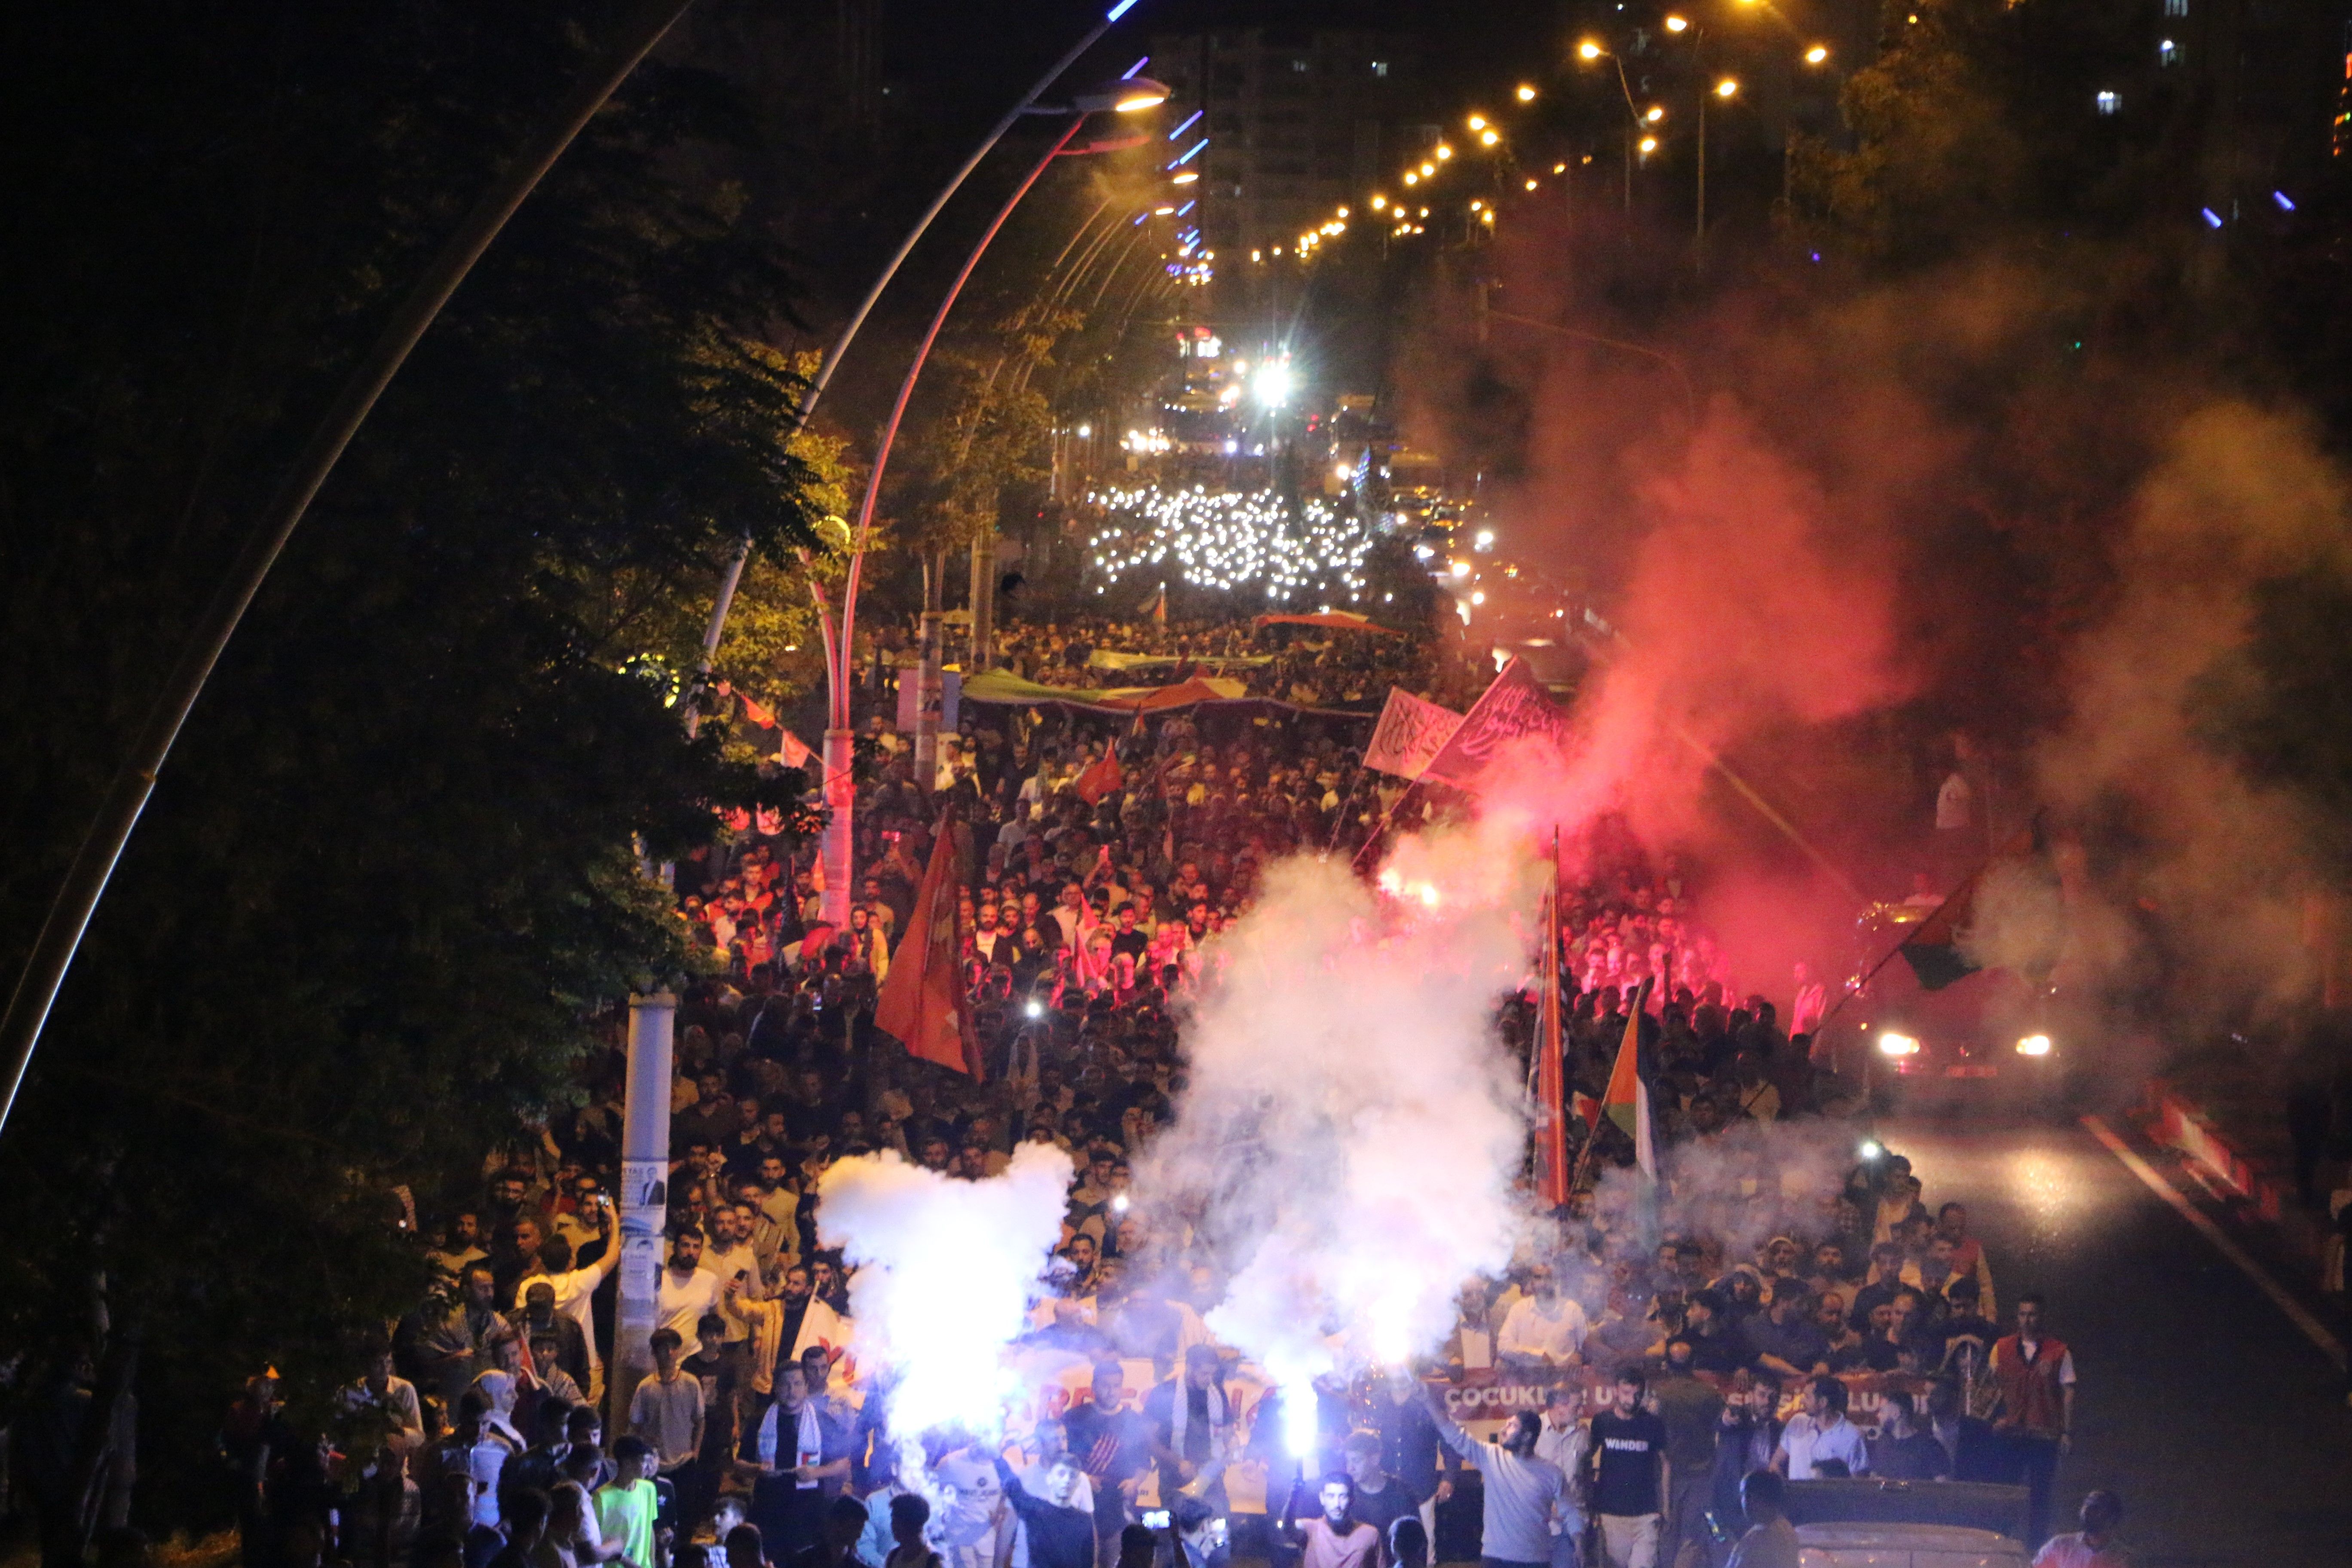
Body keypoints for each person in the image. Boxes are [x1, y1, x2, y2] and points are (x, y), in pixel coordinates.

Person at [1424, 1393, 1567, 1568]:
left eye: (1512, 1426)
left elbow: (1571, 1512)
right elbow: (1454, 1435)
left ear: (1528, 1436)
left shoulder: (1552, 1473)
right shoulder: (1491, 1456)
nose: (1503, 1431)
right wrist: (1427, 1399)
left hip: (1535, 1560)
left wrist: (1580, 1546)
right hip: (1495, 1558)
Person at [741, 1363, 852, 1561]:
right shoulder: (761, 1420)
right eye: (785, 1385)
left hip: (808, 1511)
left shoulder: (822, 1421)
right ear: (775, 1388)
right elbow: (739, 1464)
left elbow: (844, 1463)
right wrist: (757, 1469)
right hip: (769, 1509)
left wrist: (816, 1473)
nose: (791, 1391)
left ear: (806, 1388)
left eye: (797, 1384)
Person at [1990, 1294, 2073, 1545]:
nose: (2027, 1320)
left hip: (2043, 1435)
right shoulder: (2001, 1348)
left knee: (2040, 1498)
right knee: (2006, 1494)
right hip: (2010, 1434)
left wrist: (2067, 1432)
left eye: (2033, 1314)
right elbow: (1990, 1387)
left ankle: (2036, 1551)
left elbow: (2068, 1392)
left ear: (2042, 1316)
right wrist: (1995, 1419)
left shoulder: (2059, 1352)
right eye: (2023, 1314)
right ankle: (2001, 1546)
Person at [1061, 1361, 1150, 1568]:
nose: (1112, 1392)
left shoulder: (1132, 1420)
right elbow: (1060, 1460)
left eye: (1116, 1386)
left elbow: (1144, 1462)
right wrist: (1083, 1478)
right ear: (1094, 1387)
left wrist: (1134, 1482)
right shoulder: (1075, 1417)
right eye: (1106, 1386)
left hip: (1118, 1508)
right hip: (1080, 1507)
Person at [1648, 1345, 1721, 1568]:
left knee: (1667, 1533)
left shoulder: (1659, 1394)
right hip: (1702, 1476)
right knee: (1695, 1535)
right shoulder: (1711, 1393)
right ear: (1694, 1364)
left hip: (1667, 1477)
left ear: (1667, 1365)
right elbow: (1720, 1431)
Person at [1585, 1372, 1666, 1568]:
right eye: (1627, 1393)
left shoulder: (1653, 1423)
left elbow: (1665, 1464)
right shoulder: (1602, 1422)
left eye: (1637, 1395)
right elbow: (1586, 1460)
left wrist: (1665, 1507)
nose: (1632, 1400)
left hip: (1646, 1513)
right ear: (1616, 1392)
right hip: (1611, 1513)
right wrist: (1590, 1500)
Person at [629, 1329, 706, 1491]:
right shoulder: (645, 1387)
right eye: (664, 1349)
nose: (670, 1354)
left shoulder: (691, 1383)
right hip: (654, 1464)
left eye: (674, 1348)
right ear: (655, 1353)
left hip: (684, 1462)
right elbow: (635, 1425)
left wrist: (695, 1453)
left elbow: (700, 1420)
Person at [1771, 1379, 1868, 1481]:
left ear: (1823, 1403)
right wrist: (1788, 1492)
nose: (1801, 1401)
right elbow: (1775, 1464)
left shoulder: (1852, 1436)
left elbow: (1859, 1483)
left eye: (1807, 1397)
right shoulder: (1797, 1423)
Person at [1338, 1430, 1420, 1552]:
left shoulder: (1401, 1493)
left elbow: (1414, 1541)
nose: (1350, 1469)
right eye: (1348, 1461)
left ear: (1375, 1459)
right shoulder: (1346, 1495)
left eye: (1356, 1461)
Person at [1496, 1264, 1589, 1368]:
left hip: (1564, 1379)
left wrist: (1579, 1356)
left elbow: (1587, 1347)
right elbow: (1503, 1347)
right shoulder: (1519, 1309)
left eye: (1548, 1278)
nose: (1543, 1283)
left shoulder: (1573, 1310)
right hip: (1527, 1378)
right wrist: (1538, 1356)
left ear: (1556, 1281)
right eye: (1538, 1278)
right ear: (1532, 1281)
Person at [1278, 1473, 1378, 1568]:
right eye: (1331, 1496)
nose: (1337, 1504)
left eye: (1343, 1496)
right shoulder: (1311, 1529)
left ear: (1352, 1499)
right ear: (1322, 1498)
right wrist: (1293, 1498)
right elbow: (1287, 1526)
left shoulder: (1370, 1534)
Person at [594, 1438, 660, 1568]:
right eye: (643, 1461)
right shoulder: (601, 1498)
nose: (649, 1466)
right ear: (627, 1463)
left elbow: (649, 1531)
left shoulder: (649, 1490)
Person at [1722, 1471, 1798, 1568]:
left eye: (1743, 1495)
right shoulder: (1786, 1527)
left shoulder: (1757, 1539)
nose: (1741, 1501)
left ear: (1752, 1498)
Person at [2031, 1491, 2128, 1567]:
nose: (2087, 1512)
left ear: (2112, 1518)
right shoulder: (2059, 1546)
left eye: (2096, 1509)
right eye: (2086, 1505)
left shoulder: (2124, 1558)